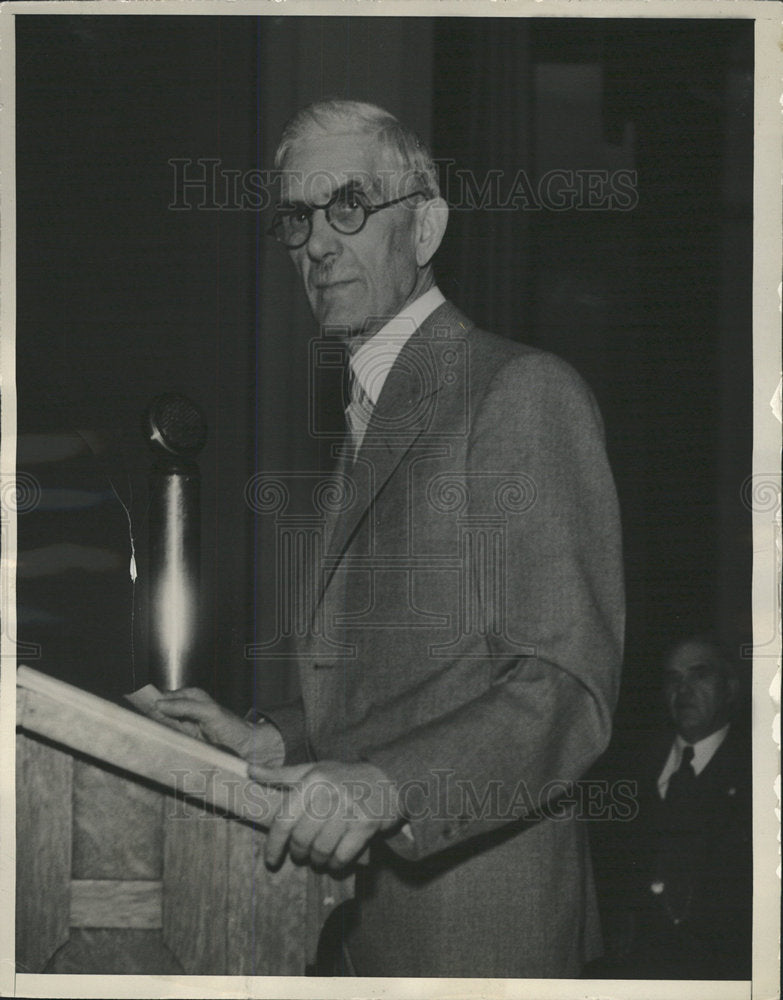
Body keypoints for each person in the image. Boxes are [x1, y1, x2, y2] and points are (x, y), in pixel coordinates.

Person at [156, 99, 625, 978]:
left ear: (425, 226)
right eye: (296, 219)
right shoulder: (371, 412)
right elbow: (411, 686)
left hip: (482, 939)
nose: (317, 245)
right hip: (365, 932)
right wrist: (273, 743)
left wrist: (384, 787)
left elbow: (564, 686)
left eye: (347, 208)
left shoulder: (519, 392)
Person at [596, 634, 751, 979]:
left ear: (730, 688)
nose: (684, 689)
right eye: (673, 678)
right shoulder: (622, 770)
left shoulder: (759, 775)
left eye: (700, 674)